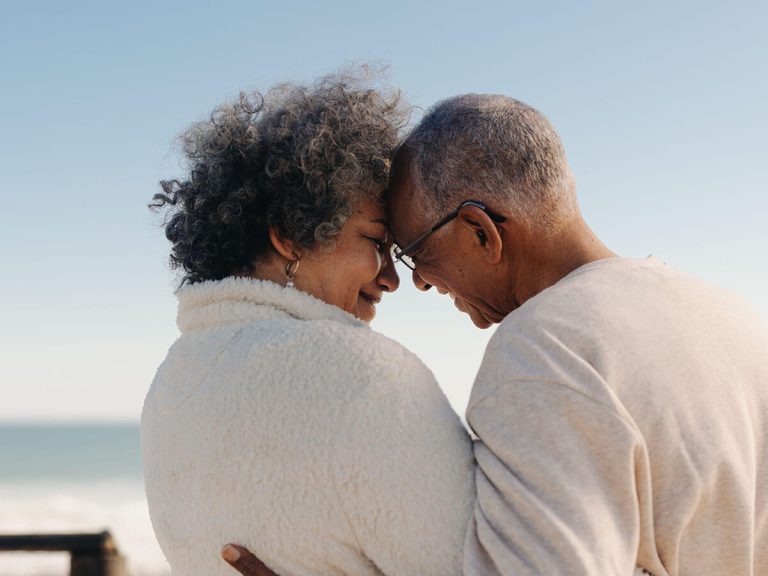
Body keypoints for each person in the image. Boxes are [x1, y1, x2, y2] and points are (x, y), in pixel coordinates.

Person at [224, 95, 768, 575]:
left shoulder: (545, 350)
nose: (416, 282)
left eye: (416, 253)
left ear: (480, 232)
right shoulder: (729, 314)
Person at [142, 74, 476, 576]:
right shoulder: (364, 376)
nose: (391, 279)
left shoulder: (170, 382)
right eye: (376, 242)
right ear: (291, 237)